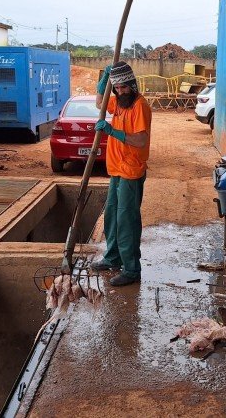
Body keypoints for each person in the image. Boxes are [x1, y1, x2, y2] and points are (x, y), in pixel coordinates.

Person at [89, 61, 152, 286]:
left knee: (127, 220)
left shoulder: (139, 106)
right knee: (112, 216)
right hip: (116, 169)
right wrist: (104, 81)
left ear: (132, 84)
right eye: (117, 88)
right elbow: (100, 103)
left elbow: (141, 139)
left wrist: (112, 131)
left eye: (124, 87)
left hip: (131, 171)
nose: (120, 91)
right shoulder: (118, 102)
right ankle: (113, 258)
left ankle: (132, 269)